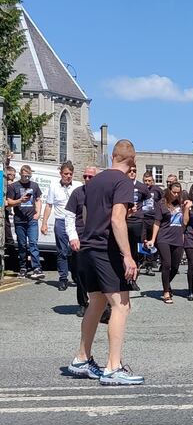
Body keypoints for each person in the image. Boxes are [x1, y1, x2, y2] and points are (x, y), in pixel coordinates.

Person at [67, 140, 142, 386]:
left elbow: (98, 212)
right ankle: (113, 367)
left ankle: (81, 359)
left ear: (112, 156)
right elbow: (117, 220)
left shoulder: (95, 180)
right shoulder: (123, 182)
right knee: (121, 306)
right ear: (133, 161)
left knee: (97, 301)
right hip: (104, 249)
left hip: (87, 248)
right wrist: (128, 255)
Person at [146, 182, 189, 304]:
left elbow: (185, 222)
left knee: (175, 266)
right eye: (174, 192)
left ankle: (167, 283)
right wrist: (153, 240)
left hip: (177, 238)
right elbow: (157, 222)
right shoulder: (162, 203)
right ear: (169, 191)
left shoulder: (181, 204)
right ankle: (166, 292)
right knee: (166, 264)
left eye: (178, 192)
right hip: (163, 238)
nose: (176, 194)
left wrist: (186, 209)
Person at [41, 161, 81, 291]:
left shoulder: (78, 186)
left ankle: (76, 275)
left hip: (75, 222)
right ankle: (63, 278)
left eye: (70, 174)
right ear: (61, 174)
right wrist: (44, 223)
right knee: (62, 251)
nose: (68, 176)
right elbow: (49, 205)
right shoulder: (54, 187)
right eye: (66, 174)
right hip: (61, 221)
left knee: (76, 251)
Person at [65, 165, 98, 317]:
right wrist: (72, 237)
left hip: (98, 238)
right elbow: (70, 217)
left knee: (99, 273)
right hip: (80, 238)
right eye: (85, 176)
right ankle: (83, 303)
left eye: (90, 177)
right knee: (80, 273)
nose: (87, 179)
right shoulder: (77, 193)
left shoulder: (102, 193)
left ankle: (102, 305)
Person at [8, 164, 45, 279]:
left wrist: (38, 213)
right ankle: (23, 267)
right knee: (22, 245)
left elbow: (38, 200)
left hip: (31, 220)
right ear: (20, 175)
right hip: (19, 220)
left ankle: (37, 268)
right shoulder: (14, 186)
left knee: (33, 243)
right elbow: (9, 201)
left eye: (29, 176)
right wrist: (20, 200)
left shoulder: (34, 186)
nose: (27, 179)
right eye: (25, 176)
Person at [3, 166, 18, 272]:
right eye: (12, 174)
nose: (13, 177)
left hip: (7, 213)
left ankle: (13, 264)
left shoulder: (10, 186)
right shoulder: (6, 185)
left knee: (9, 239)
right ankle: (13, 264)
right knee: (9, 239)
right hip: (4, 213)